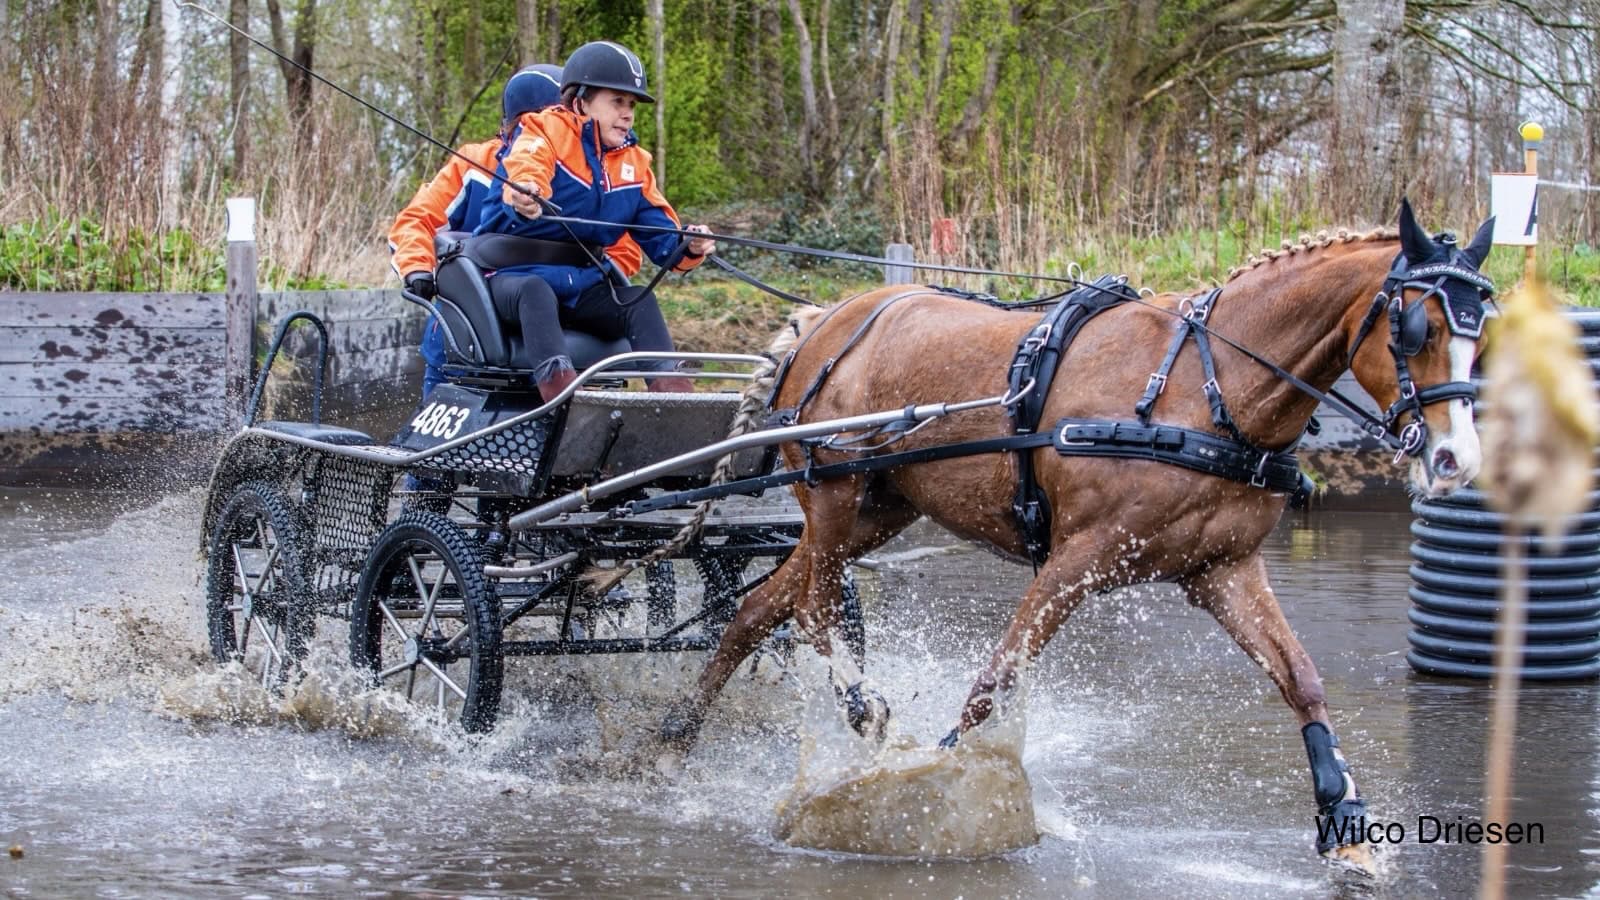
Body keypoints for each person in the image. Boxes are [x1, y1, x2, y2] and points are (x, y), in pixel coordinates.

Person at [474, 40, 714, 400]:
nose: (628, 113)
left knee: (638, 301)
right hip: (512, 277)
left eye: (632, 104)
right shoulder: (544, 130)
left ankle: (677, 405)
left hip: (579, 285)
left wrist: (688, 245)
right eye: (617, 101)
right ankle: (564, 406)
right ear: (581, 101)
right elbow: (527, 164)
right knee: (535, 292)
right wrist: (525, 192)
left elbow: (663, 239)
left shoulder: (634, 164)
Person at [388, 63, 564, 397]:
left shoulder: (584, 179)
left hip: (553, 334)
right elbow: (415, 220)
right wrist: (417, 268)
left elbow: (618, 253)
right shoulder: (474, 165)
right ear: (514, 125)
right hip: (464, 335)